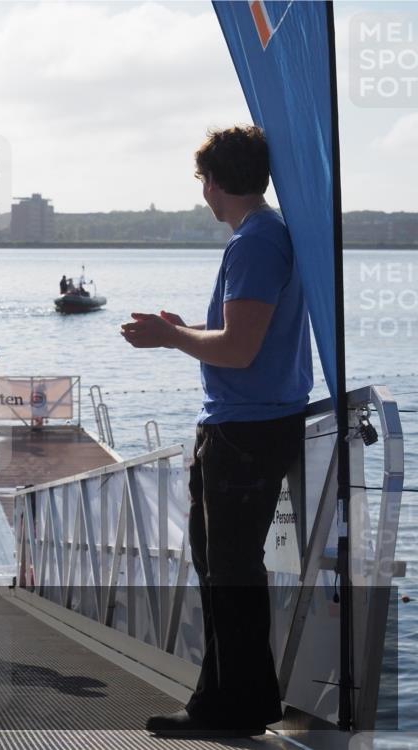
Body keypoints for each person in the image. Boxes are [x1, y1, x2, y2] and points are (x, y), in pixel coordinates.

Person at [121, 125, 311, 738]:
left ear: (214, 183)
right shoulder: (267, 235)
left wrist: (172, 337)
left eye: (201, 179)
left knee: (228, 569)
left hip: (245, 433)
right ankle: (231, 700)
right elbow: (238, 338)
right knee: (225, 568)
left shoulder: (255, 243)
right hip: (253, 426)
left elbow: (238, 349)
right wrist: (187, 330)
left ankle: (230, 707)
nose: (202, 190)